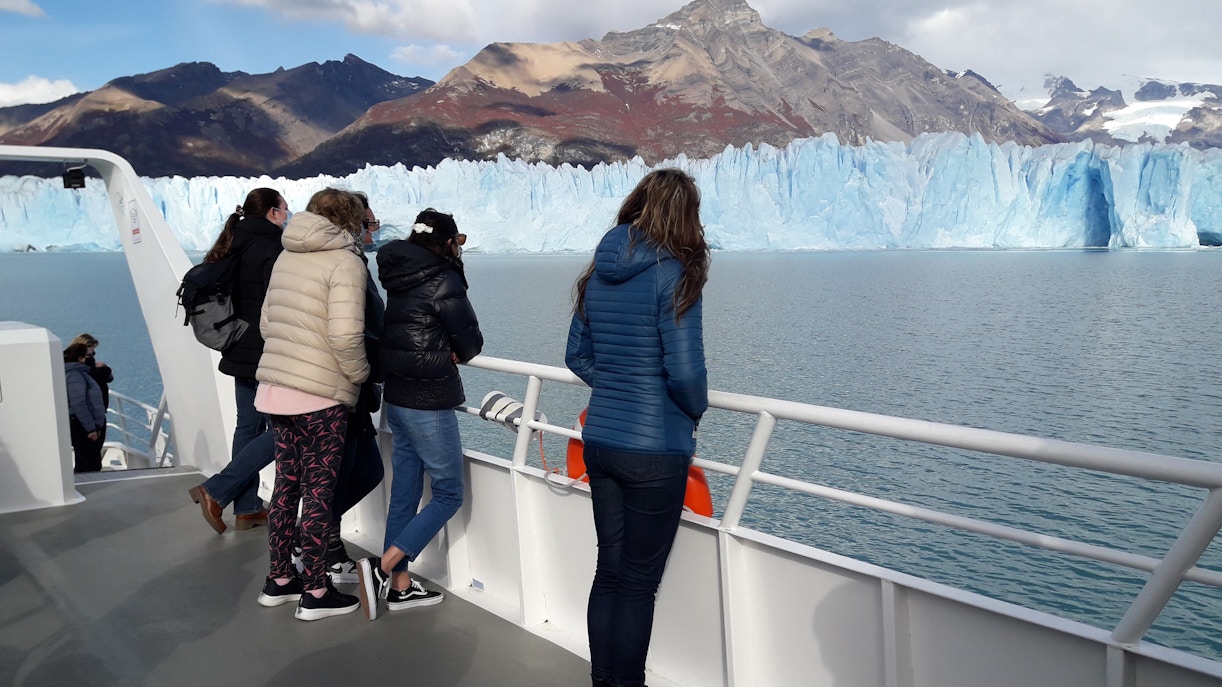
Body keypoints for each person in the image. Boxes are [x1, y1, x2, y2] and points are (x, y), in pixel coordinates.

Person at [564, 169, 710, 687]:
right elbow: (687, 371)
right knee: (639, 582)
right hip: (654, 450)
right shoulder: (673, 273)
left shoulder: (599, 270)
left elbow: (575, 354)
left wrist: (618, 389)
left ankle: (604, 680)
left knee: (610, 570)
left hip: (602, 440)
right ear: (685, 216)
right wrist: (690, 412)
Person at [356, 208, 483, 621]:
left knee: (406, 490)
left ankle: (401, 587)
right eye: (456, 241)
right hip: (428, 397)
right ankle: (384, 566)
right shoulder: (443, 277)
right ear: (445, 242)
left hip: (398, 396)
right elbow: (470, 342)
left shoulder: (399, 274)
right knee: (448, 492)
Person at [254, 187, 369, 621]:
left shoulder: (288, 253)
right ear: (349, 219)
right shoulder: (345, 261)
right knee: (320, 490)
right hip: (320, 396)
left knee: (286, 485)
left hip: (276, 390)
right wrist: (356, 377)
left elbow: (267, 322)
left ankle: (280, 579)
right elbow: (344, 336)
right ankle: (317, 592)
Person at [187, 188, 288, 534]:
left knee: (247, 426)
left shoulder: (234, 240)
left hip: (239, 346)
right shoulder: (271, 246)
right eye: (285, 210)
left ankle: (246, 508)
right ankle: (215, 490)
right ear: (273, 213)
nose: (287, 217)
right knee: (285, 430)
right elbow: (276, 302)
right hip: (265, 350)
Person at [318, 191, 387, 583]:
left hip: (342, 385)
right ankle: (323, 549)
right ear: (352, 225)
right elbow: (354, 330)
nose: (373, 230)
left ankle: (312, 539)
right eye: (370, 223)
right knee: (341, 473)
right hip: (342, 386)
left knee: (362, 470)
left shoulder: (346, 262)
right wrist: (363, 372)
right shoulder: (347, 265)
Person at [63, 342, 108, 473]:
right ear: (80, 358)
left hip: (85, 426)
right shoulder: (75, 375)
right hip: (83, 428)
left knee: (83, 465)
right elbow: (79, 404)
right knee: (92, 466)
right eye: (88, 355)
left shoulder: (81, 373)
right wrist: (91, 429)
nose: (91, 358)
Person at [70, 333, 113, 441]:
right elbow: (78, 401)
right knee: (89, 453)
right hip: (88, 417)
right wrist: (104, 369)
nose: (92, 356)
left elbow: (109, 378)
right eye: (89, 353)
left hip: (97, 413)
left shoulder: (90, 368)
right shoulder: (78, 372)